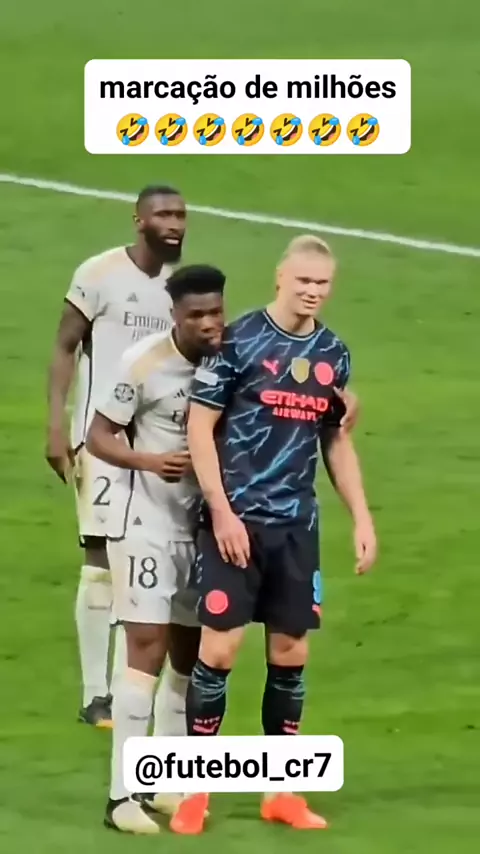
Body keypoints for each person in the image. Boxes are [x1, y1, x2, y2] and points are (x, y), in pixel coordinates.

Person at [171, 235, 377, 835]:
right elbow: (200, 428)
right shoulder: (237, 341)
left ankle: (280, 792)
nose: (312, 291)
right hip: (235, 524)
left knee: (290, 655)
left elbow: (335, 440)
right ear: (280, 277)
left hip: (295, 527)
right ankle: (195, 792)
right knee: (219, 652)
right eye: (303, 280)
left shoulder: (332, 354)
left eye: (322, 283)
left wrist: (362, 517)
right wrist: (222, 512)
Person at [86, 264, 226, 834]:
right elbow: (99, 435)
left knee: (188, 656)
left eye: (216, 311)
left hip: (205, 527)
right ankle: (122, 796)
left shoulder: (231, 358)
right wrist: (148, 460)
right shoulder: (142, 363)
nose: (209, 324)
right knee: (147, 646)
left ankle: (166, 780)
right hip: (144, 522)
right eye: (197, 315)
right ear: (175, 315)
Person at [45, 184, 187, 728]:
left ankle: (132, 686)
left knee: (145, 564)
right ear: (139, 220)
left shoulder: (179, 287)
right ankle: (94, 695)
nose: (174, 224)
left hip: (156, 450)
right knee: (101, 556)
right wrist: (55, 427)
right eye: (163, 214)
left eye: (180, 215)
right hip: (101, 440)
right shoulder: (99, 274)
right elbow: (65, 346)